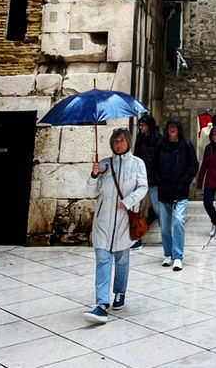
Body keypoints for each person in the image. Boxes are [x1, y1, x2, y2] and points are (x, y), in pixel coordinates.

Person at [83, 127, 148, 324]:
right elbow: (90, 191)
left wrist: (127, 202)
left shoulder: (138, 164)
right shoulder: (104, 165)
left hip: (122, 222)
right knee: (103, 260)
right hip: (103, 222)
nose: (118, 144)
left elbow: (143, 187)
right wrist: (94, 175)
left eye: (121, 140)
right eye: (115, 141)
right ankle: (101, 303)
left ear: (128, 142)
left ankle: (120, 292)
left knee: (121, 260)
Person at [153, 118, 198, 270]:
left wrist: (184, 180)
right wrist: (160, 180)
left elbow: (193, 165)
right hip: (164, 190)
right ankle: (168, 254)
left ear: (179, 129)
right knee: (165, 226)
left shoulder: (186, 146)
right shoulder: (160, 146)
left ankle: (178, 255)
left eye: (174, 127)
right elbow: (154, 166)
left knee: (178, 221)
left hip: (180, 190)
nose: (172, 130)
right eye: (170, 127)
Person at [131, 113, 163, 247]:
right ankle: (137, 238)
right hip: (141, 179)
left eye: (143, 125)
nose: (140, 127)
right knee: (137, 209)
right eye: (140, 125)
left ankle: (167, 234)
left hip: (155, 180)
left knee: (158, 209)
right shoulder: (140, 139)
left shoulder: (159, 140)